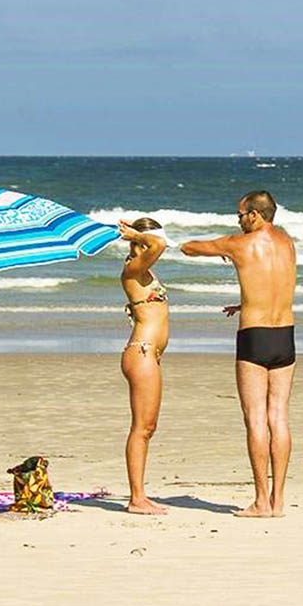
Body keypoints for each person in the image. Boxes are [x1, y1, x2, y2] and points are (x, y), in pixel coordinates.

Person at [180, 191, 296, 518]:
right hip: (285, 335)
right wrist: (245, 302)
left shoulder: (240, 244)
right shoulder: (288, 243)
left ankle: (261, 501)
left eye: (240, 215)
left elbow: (189, 248)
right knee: (280, 417)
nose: (239, 221)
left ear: (256, 215)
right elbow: (275, 285)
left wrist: (224, 249)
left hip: (255, 337)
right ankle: (279, 500)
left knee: (256, 418)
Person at [118, 217, 171, 516]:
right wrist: (137, 235)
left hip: (149, 355)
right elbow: (159, 243)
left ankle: (139, 495)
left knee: (147, 427)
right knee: (142, 428)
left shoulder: (143, 271)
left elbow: (157, 244)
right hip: (141, 352)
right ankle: (137, 498)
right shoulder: (132, 269)